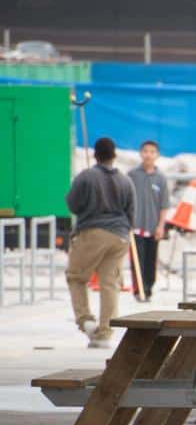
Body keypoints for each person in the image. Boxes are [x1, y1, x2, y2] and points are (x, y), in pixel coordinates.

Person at [64, 137, 134, 348]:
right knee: (109, 283)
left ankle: (86, 321)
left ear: (95, 155)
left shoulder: (86, 177)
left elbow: (72, 204)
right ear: (114, 156)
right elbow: (132, 213)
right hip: (120, 236)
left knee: (76, 277)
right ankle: (105, 333)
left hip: (93, 232)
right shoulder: (125, 181)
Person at [126, 139, 170, 302]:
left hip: (153, 227)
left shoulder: (161, 178)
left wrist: (161, 226)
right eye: (145, 151)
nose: (148, 155)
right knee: (137, 260)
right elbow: (125, 199)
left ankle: (149, 288)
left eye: (152, 152)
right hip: (135, 227)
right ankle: (138, 290)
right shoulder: (132, 175)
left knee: (150, 260)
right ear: (140, 153)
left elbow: (164, 205)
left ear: (157, 155)